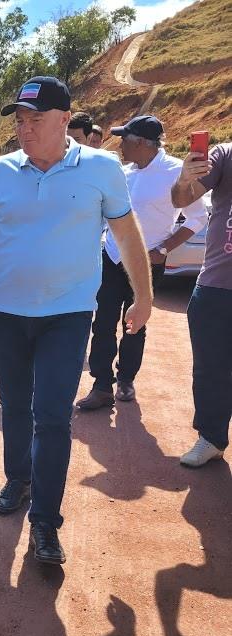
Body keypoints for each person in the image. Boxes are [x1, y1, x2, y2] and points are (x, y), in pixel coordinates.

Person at [0, 76, 152, 565]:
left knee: (53, 417)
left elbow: (127, 236)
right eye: (19, 121)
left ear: (65, 119)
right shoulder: (1, 174)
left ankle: (45, 520)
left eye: (35, 120)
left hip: (66, 315)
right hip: (6, 312)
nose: (24, 129)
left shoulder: (103, 170)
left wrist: (143, 296)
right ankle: (18, 480)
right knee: (16, 407)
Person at [78, 116, 209, 409]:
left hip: (148, 261)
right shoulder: (123, 173)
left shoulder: (177, 173)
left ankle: (125, 380)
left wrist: (164, 249)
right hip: (112, 257)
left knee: (135, 323)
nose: (120, 145)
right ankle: (101, 385)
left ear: (140, 143)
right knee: (103, 323)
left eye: (125, 139)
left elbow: (198, 218)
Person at [170, 141, 232, 467]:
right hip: (217, 286)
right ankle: (211, 438)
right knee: (210, 370)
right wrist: (183, 180)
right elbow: (183, 199)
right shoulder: (225, 155)